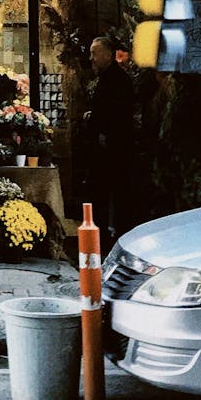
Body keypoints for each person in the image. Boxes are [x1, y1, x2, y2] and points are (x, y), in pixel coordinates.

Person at [82, 36, 135, 253]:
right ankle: (106, 237)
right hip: (109, 146)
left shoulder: (116, 80)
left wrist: (98, 125)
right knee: (107, 194)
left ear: (107, 53)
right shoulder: (110, 78)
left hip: (113, 148)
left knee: (109, 193)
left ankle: (107, 240)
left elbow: (116, 113)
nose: (91, 58)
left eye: (95, 53)